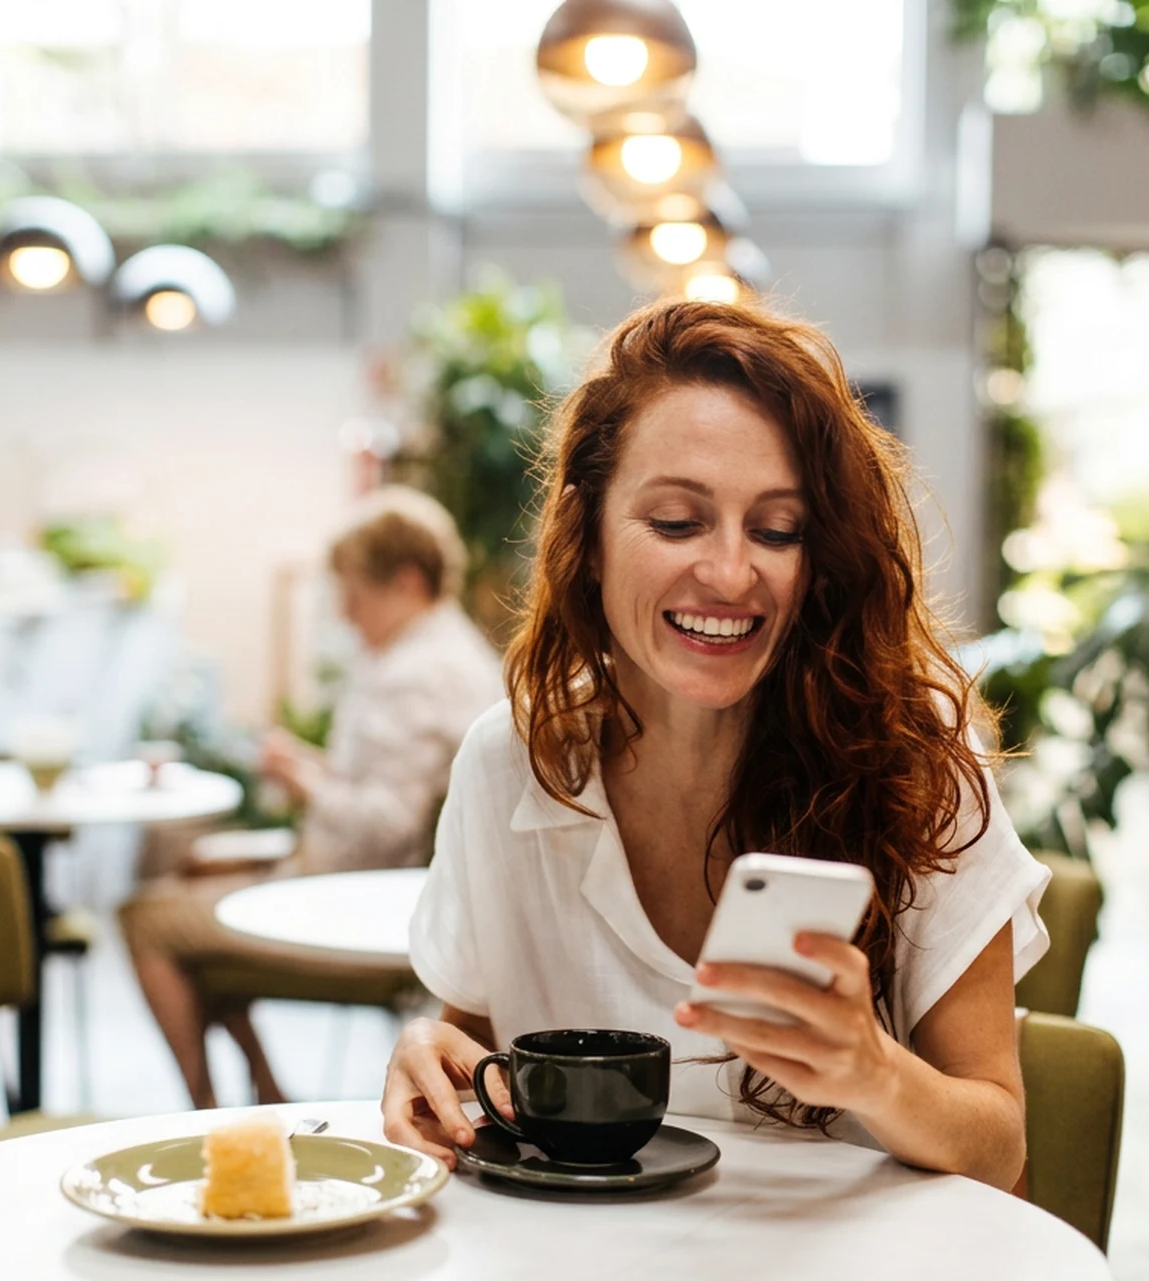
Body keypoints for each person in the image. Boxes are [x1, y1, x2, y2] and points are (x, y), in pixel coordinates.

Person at [381, 301, 1052, 1188]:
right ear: (587, 538)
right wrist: (433, 1057)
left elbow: (999, 1147)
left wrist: (875, 1072)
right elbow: (474, 1046)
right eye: (675, 522)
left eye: (777, 531)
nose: (733, 574)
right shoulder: (510, 763)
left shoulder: (914, 757)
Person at [120, 487, 502, 1108]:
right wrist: (313, 767)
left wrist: (305, 783)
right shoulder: (447, 653)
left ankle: (209, 1112)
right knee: (194, 880)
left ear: (405, 582)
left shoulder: (416, 676)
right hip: (371, 885)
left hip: (365, 904)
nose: (347, 614)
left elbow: (387, 824)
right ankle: (264, 1091)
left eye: (354, 594)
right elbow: (389, 786)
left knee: (148, 921)